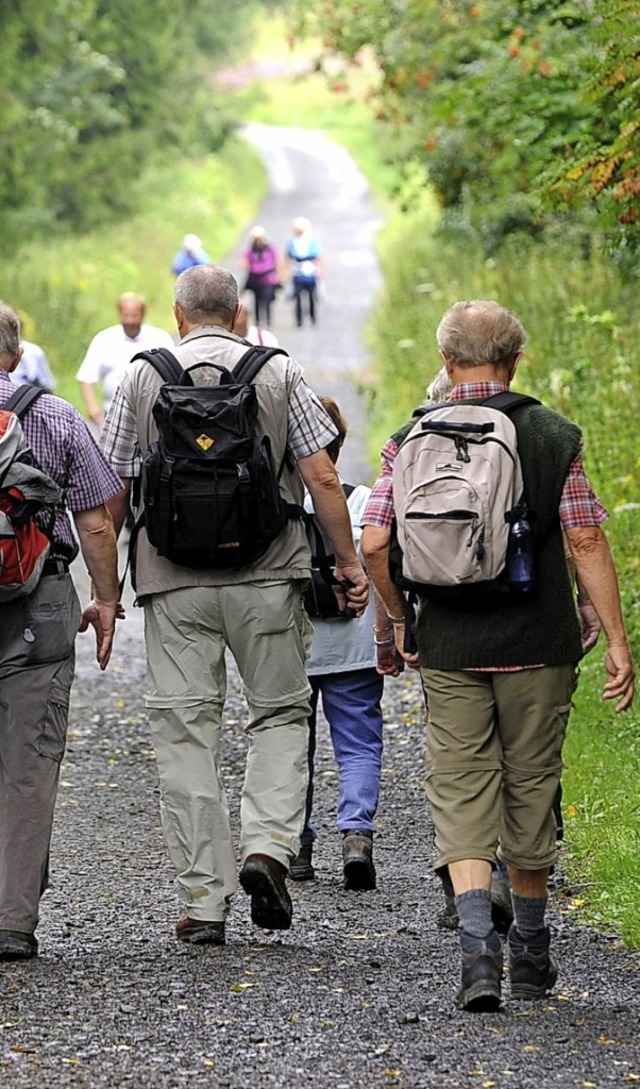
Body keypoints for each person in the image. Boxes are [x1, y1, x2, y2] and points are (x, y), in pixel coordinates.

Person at [361, 299, 635, 1012]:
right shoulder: (549, 433)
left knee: (458, 786)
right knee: (531, 786)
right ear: (516, 360)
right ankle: (533, 956)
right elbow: (584, 539)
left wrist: (399, 619)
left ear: (447, 365)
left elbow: (373, 542)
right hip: (538, 647)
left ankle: (478, 954)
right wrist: (615, 637)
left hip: (450, 644)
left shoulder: (409, 436)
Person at [99, 264, 369, 946]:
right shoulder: (276, 370)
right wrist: (346, 561)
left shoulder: (140, 372)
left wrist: (105, 591)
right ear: (240, 313)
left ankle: (204, 901)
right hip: (266, 575)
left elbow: (111, 493)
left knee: (185, 732)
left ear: (177, 314)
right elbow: (322, 475)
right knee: (279, 711)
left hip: (173, 578)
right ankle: (269, 847)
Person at [0, 301, 122, 962]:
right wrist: (105, 597)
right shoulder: (51, 414)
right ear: (17, 356)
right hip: (37, 602)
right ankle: (12, 917)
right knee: (29, 763)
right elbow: (98, 519)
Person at [289, 397, 401, 891]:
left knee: (293, 745)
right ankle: (357, 837)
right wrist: (390, 631)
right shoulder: (363, 500)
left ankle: (297, 844)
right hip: (355, 649)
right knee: (358, 744)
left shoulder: (281, 506)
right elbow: (380, 565)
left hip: (294, 648)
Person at [76, 293, 174, 427]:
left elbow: (173, 374)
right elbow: (87, 376)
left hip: (152, 414)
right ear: (119, 314)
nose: (130, 321)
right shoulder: (104, 339)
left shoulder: (160, 338)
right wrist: (92, 406)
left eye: (135, 316)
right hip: (112, 413)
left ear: (143, 314)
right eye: (126, 315)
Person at [284, 216, 324, 328]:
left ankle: (312, 316)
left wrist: (321, 271)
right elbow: (288, 257)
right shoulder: (292, 241)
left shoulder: (313, 240)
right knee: (297, 297)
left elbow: (318, 257)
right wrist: (284, 272)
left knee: (312, 296)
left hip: (311, 272)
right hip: (297, 272)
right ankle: (299, 319)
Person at [241, 226, 281, 327]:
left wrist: (278, 275)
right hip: (255, 279)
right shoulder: (251, 250)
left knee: (267, 299)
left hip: (268, 279)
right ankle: (258, 320)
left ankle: (268, 319)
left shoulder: (270, 249)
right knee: (257, 300)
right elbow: (244, 261)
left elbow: (277, 260)